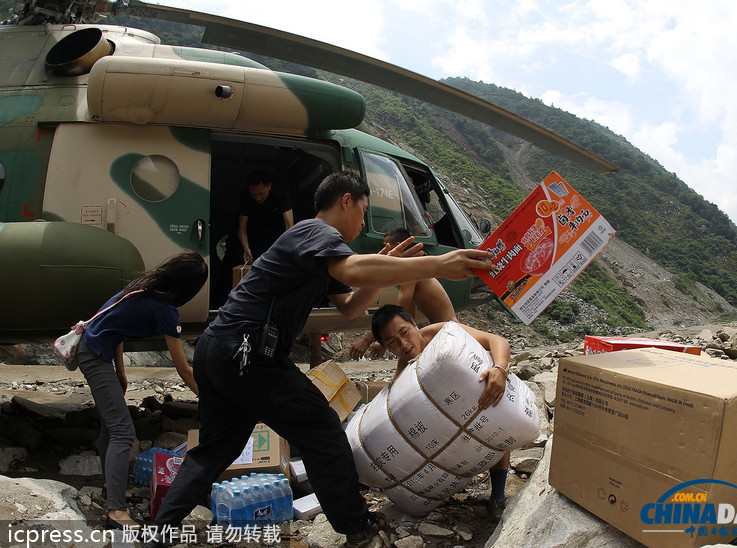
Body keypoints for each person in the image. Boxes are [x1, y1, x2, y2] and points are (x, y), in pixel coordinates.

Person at [145, 171, 493, 548]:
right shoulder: (316, 232)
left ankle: (158, 531)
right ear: (346, 201)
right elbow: (352, 268)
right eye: (362, 211)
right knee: (323, 429)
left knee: (215, 449)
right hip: (248, 352)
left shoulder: (318, 248)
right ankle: (355, 524)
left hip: (220, 350)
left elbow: (350, 306)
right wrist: (439, 265)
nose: (362, 223)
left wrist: (382, 268)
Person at [74, 251, 207, 530]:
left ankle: (114, 491)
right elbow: (184, 371)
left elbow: (115, 327)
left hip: (98, 348)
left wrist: (121, 373)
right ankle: (116, 513)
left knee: (112, 425)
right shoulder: (165, 310)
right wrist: (209, 399)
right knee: (123, 431)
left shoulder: (144, 289)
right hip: (94, 354)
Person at [370, 304, 513, 518]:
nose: (404, 344)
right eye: (392, 342)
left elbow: (497, 341)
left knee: (497, 421)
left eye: (404, 332)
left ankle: (498, 496)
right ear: (386, 348)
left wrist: (500, 369)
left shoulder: (444, 332)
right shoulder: (404, 370)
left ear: (414, 324)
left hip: (482, 392)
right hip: (452, 415)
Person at [349, 227, 456, 361]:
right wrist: (385, 344)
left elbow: (400, 314)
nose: (385, 252)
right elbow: (409, 317)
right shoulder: (409, 271)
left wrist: (367, 340)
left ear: (398, 246)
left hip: (450, 335)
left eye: (386, 246)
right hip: (444, 333)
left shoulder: (412, 270)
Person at [238, 169, 294, 264]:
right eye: (253, 195)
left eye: (261, 194)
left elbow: (289, 226)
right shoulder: (246, 197)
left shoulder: (280, 193)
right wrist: (246, 247)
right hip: (256, 228)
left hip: (278, 228)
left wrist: (287, 249)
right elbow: (241, 228)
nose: (257, 198)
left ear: (269, 186)